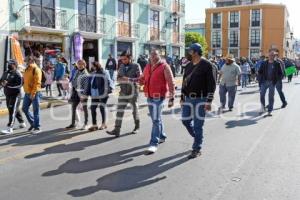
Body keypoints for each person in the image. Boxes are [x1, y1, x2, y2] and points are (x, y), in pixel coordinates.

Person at [181, 43, 217, 159]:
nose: (188, 53)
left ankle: (197, 148)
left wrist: (209, 101)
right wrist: (182, 97)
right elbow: (184, 82)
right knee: (185, 120)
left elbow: (212, 84)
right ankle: (197, 137)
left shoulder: (207, 65)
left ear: (196, 52)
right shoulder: (188, 65)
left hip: (201, 99)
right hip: (188, 98)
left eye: (190, 51)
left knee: (198, 125)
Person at [139, 49, 175, 154]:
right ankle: (162, 135)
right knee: (156, 118)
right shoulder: (147, 66)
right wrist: (140, 81)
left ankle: (153, 143)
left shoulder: (164, 66)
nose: (153, 57)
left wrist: (171, 98)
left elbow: (171, 82)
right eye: (151, 55)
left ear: (159, 55)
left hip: (159, 97)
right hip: (149, 95)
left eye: (155, 55)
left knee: (155, 120)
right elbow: (143, 78)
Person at [106, 51, 142, 137]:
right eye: (121, 59)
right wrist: (120, 79)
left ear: (130, 58)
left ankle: (137, 127)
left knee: (134, 110)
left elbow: (140, 79)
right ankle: (116, 130)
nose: (123, 61)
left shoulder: (136, 66)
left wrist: (129, 79)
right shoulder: (121, 66)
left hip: (133, 92)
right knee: (119, 111)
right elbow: (118, 78)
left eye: (125, 59)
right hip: (123, 92)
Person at [0, 60, 26, 134]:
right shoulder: (6, 72)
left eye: (10, 64)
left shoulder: (18, 73)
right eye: (8, 63)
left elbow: (20, 84)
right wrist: (2, 83)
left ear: (14, 64)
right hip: (8, 94)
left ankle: (9, 128)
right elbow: (1, 81)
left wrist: (8, 85)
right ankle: (22, 123)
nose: (9, 65)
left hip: (16, 95)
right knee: (13, 109)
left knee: (12, 110)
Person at [88, 61, 113, 132]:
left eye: (93, 66)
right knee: (93, 108)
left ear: (96, 66)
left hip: (102, 93)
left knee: (102, 108)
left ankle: (104, 124)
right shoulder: (93, 73)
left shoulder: (103, 72)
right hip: (94, 94)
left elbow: (108, 82)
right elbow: (90, 84)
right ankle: (94, 125)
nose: (92, 67)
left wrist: (106, 92)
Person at [66, 59, 90, 130]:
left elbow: (86, 86)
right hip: (76, 92)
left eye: (81, 64)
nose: (79, 65)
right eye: (78, 64)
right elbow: (73, 80)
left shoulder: (86, 74)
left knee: (85, 109)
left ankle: (85, 124)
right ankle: (73, 124)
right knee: (73, 107)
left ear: (84, 65)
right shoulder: (77, 71)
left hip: (83, 93)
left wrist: (83, 95)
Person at [258, 49, 283, 116]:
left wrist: (277, 80)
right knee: (262, 95)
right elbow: (260, 72)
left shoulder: (277, 64)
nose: (272, 56)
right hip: (264, 82)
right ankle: (263, 108)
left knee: (271, 96)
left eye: (273, 55)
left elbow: (280, 73)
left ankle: (270, 110)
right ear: (268, 55)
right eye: (270, 55)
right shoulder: (264, 63)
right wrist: (259, 80)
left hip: (272, 82)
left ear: (275, 56)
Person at [22, 56, 42, 134]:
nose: (25, 62)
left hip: (35, 93)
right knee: (24, 108)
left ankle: (37, 127)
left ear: (31, 60)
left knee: (35, 111)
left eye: (26, 61)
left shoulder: (36, 69)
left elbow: (37, 83)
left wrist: (33, 93)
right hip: (27, 92)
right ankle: (33, 123)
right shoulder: (26, 69)